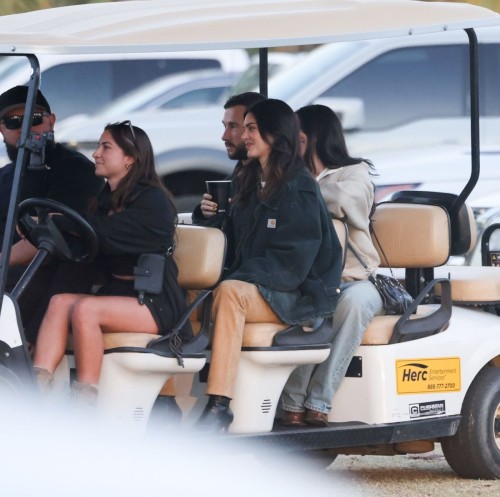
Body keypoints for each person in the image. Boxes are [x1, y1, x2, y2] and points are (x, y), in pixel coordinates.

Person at [194, 99, 343, 431]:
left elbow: (292, 264)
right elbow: (232, 243)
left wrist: (230, 279)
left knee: (230, 292)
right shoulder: (248, 181)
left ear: (275, 135)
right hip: (260, 286)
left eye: (251, 129)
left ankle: (219, 405)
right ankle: (166, 402)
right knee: (186, 295)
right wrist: (206, 217)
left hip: (296, 295)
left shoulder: (298, 187)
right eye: (243, 128)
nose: (244, 136)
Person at [32, 122, 192, 407]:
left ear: (130, 158)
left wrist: (61, 221)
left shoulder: (153, 201)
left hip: (155, 302)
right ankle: (35, 391)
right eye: (98, 146)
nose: (96, 154)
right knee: (59, 302)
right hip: (119, 296)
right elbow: (88, 239)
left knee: (85, 309)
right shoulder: (103, 201)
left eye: (106, 147)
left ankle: (85, 399)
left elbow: (105, 234)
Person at [280, 104, 384, 427]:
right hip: (310, 279)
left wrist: (297, 190)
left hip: (357, 278)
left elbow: (342, 200)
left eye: (297, 137)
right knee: (309, 310)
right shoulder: (288, 174)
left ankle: (319, 400)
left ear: (315, 137)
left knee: (352, 305)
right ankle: (292, 402)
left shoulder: (355, 172)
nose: (291, 144)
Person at [0, 86, 103, 343]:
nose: (25, 128)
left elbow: (48, 244)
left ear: (51, 121)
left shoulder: (76, 170)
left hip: (54, 275)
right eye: (14, 122)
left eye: (34, 119)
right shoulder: (5, 177)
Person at [193, 91, 266, 221]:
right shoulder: (234, 179)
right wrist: (205, 214)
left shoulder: (274, 181)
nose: (224, 136)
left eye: (233, 126)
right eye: (224, 126)